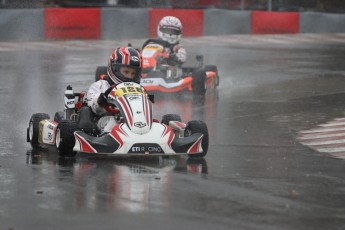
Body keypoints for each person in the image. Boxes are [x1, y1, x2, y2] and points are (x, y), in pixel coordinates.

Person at [87, 46, 142, 133]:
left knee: (154, 124)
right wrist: (101, 101)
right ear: (114, 68)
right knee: (113, 122)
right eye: (126, 72)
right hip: (103, 120)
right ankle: (111, 143)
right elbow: (94, 108)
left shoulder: (138, 89)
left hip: (132, 121)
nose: (130, 76)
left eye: (133, 73)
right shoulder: (100, 85)